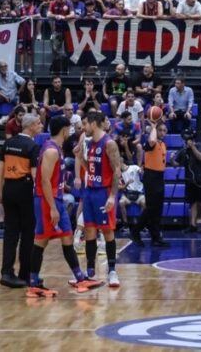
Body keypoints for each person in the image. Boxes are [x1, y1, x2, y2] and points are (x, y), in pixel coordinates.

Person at [27, 116, 103, 297]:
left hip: (56, 200)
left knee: (67, 235)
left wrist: (78, 154)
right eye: (69, 128)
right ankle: (33, 283)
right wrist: (52, 208)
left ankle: (79, 277)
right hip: (47, 201)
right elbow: (44, 181)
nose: (70, 131)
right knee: (41, 240)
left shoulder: (57, 148)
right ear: (63, 130)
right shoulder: (51, 151)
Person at [75, 110, 123, 288]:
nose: (83, 127)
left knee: (108, 231)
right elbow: (91, 169)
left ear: (93, 124)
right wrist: (80, 157)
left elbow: (117, 171)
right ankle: (90, 271)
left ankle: (112, 271)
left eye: (86, 124)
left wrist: (112, 196)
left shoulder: (109, 144)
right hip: (89, 191)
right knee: (89, 231)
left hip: (104, 192)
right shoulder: (91, 143)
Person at [0, 113, 41, 289]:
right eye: (38, 123)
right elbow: (35, 175)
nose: (40, 126)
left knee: (10, 233)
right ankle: (25, 274)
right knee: (28, 233)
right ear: (30, 126)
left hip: (8, 189)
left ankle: (6, 273)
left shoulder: (8, 143)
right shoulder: (32, 146)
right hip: (25, 189)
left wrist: (0, 191)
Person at [130, 120, 168, 248]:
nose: (162, 132)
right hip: (151, 176)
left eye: (164, 130)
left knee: (158, 209)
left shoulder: (163, 144)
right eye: (160, 130)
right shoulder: (150, 142)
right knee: (151, 207)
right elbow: (152, 140)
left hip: (159, 177)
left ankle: (155, 237)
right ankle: (135, 231)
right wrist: (153, 126)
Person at [175, 128, 201, 234]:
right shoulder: (184, 150)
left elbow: (200, 157)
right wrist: (172, 159)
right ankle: (193, 225)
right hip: (190, 179)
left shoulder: (199, 145)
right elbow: (176, 164)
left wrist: (193, 147)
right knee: (193, 202)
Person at [118, 164, 145, 231]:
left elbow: (140, 171)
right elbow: (120, 187)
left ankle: (141, 225)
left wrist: (142, 170)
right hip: (127, 194)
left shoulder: (134, 167)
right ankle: (126, 225)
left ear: (121, 162)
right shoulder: (119, 174)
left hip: (138, 193)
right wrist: (127, 183)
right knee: (121, 202)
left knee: (144, 202)